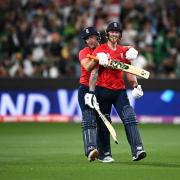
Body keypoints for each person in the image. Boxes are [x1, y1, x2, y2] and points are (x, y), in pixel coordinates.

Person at [85, 22, 147, 162]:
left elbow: (129, 70)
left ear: (120, 35)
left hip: (119, 91)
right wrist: (91, 92)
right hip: (102, 91)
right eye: (111, 32)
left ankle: (137, 150)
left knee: (129, 117)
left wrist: (135, 85)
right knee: (104, 123)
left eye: (116, 32)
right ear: (107, 34)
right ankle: (104, 154)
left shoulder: (123, 51)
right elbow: (93, 72)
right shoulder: (100, 49)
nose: (114, 34)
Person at [78, 26, 100, 162]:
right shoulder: (83, 52)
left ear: (97, 37)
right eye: (87, 38)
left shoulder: (104, 49)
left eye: (92, 37)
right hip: (85, 89)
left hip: (102, 89)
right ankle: (91, 149)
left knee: (103, 121)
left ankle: (104, 152)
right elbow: (87, 66)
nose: (90, 40)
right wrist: (99, 57)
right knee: (88, 119)